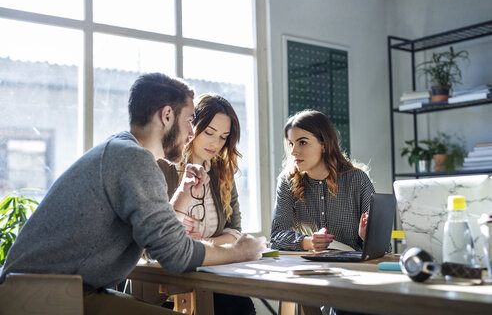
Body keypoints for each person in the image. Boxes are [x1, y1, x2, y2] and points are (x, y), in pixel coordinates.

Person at [0, 73, 265, 315]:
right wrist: (239, 251)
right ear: (167, 115)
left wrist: (181, 196)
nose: (189, 133)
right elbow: (176, 255)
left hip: (56, 290)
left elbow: (156, 241)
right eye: (189, 122)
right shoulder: (133, 159)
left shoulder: (121, 149)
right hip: (40, 297)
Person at [158, 93, 254, 314]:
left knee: (241, 305)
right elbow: (154, 235)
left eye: (223, 137)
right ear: (192, 127)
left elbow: (235, 231)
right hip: (167, 278)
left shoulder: (223, 172)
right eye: (209, 132)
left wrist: (203, 242)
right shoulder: (164, 166)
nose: (215, 143)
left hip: (211, 273)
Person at [270, 110, 375, 252]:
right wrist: (307, 242)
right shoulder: (287, 181)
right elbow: (276, 237)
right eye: (291, 144)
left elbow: (383, 247)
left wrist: (367, 238)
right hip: (306, 267)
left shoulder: (358, 180)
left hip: (353, 268)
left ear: (324, 144)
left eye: (302, 142)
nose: (294, 151)